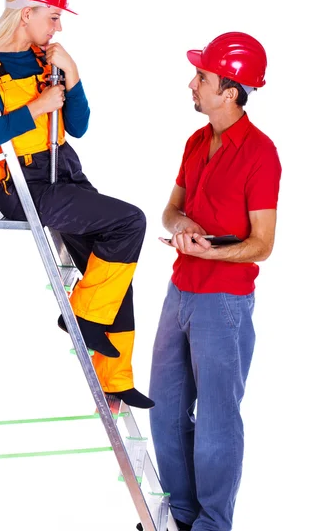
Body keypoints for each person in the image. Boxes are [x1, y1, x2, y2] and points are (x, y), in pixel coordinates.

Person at [0, 0, 154, 409]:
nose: (58, 27)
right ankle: (81, 316)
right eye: (53, 16)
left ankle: (115, 378)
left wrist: (75, 75)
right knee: (130, 222)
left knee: (114, 270)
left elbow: (80, 125)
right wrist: (38, 106)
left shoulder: (48, 60)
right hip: (21, 184)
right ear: (26, 13)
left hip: (64, 172)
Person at [147, 32, 282, 529]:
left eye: (201, 78)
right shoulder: (196, 141)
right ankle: (181, 514)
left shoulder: (261, 154)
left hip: (223, 304)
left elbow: (263, 243)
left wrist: (215, 251)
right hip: (180, 291)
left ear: (230, 91)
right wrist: (183, 228)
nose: (192, 83)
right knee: (164, 408)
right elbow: (170, 210)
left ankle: (212, 522)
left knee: (217, 423)